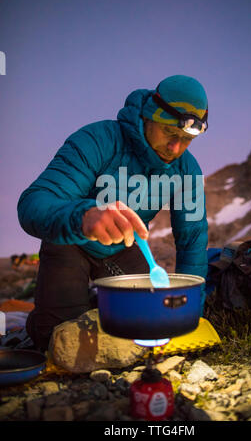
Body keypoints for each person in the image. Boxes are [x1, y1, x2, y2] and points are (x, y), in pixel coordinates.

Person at [17, 75, 209, 351]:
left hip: (126, 248)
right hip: (71, 242)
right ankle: (39, 322)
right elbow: (33, 204)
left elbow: (192, 241)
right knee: (60, 341)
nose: (175, 148)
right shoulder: (97, 141)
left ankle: (99, 302)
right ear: (149, 116)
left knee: (147, 326)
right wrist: (84, 216)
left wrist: (192, 313)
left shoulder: (186, 170)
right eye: (169, 133)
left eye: (186, 139)